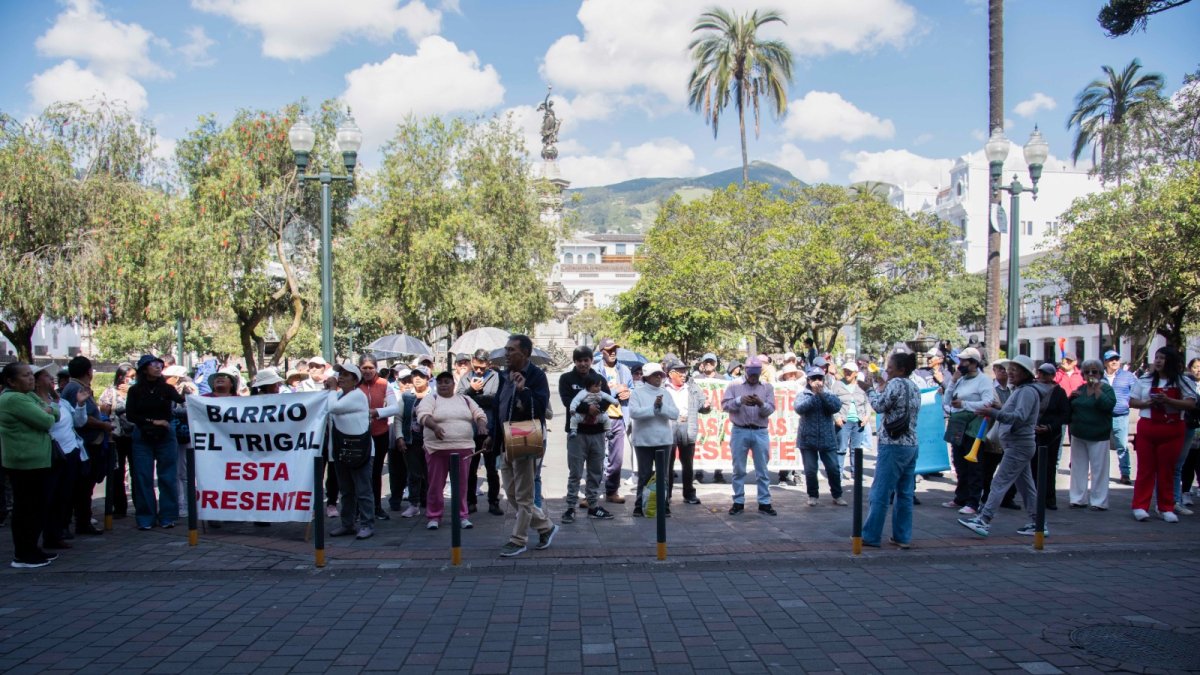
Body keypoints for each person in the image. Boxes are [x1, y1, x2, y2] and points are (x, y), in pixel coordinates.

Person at [958, 355, 1044, 538]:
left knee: (999, 482)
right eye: (1009, 369)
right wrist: (997, 410)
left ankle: (984, 520)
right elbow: (1016, 415)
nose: (1010, 373)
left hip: (1018, 445)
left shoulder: (1026, 392)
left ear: (1025, 373)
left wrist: (994, 412)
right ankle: (1038, 523)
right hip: (1018, 445)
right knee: (1026, 487)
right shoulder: (1022, 391)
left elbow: (1019, 417)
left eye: (1015, 369)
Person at [493, 335, 557, 557]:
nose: (507, 354)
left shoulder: (537, 376)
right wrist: (493, 435)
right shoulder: (504, 376)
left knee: (524, 496)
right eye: (506, 349)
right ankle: (545, 526)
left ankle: (518, 539)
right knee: (511, 492)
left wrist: (523, 390)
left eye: (511, 350)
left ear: (526, 354)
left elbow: (541, 409)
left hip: (525, 436)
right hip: (505, 438)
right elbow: (498, 407)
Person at [0, 363, 61, 568]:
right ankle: (23, 554)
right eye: (25, 375)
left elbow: (55, 411)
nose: (31, 378)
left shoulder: (27, 396)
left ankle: (32, 548)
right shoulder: (12, 399)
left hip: (38, 460)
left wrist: (48, 409)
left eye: (31, 375)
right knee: (27, 508)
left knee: (37, 507)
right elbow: (46, 420)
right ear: (11, 381)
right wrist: (47, 410)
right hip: (24, 461)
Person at [1128, 346, 1197, 522]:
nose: (1158, 361)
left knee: (1167, 469)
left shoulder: (1182, 381)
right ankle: (1140, 506)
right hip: (1148, 427)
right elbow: (1132, 401)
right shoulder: (1145, 379)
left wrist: (1168, 401)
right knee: (1145, 469)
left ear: (1171, 361)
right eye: (1156, 357)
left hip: (1173, 429)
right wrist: (1148, 403)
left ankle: (1166, 506)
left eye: (1162, 358)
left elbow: (1190, 403)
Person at [862, 352, 922, 549]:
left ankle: (871, 535)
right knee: (904, 493)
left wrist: (869, 390)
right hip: (911, 443)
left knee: (881, 491)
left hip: (893, 444)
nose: (887, 369)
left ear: (901, 369)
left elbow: (879, 406)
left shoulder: (896, 384)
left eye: (890, 366)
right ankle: (902, 536)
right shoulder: (914, 386)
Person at [416, 371, 488, 531]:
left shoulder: (465, 399)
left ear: (453, 385)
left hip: (463, 449)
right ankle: (434, 516)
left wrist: (481, 424)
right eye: (440, 382)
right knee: (435, 485)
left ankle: (462, 515)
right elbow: (422, 415)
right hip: (437, 449)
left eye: (447, 382)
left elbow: (480, 414)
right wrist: (434, 426)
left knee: (461, 485)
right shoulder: (431, 398)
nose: (443, 385)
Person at [125, 355, 186, 531]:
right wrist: (153, 421)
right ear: (144, 369)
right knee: (143, 477)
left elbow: (182, 401)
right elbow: (131, 415)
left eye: (160, 364)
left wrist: (190, 394)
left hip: (166, 436)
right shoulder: (135, 390)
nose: (158, 367)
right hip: (143, 436)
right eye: (153, 365)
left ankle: (167, 516)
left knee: (167, 476)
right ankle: (145, 517)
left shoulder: (167, 388)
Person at [35, 364, 89, 549]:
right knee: (50, 494)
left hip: (71, 451)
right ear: (36, 382)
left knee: (66, 494)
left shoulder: (61, 401)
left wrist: (80, 404)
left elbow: (78, 422)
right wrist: (52, 406)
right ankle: (49, 533)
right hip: (51, 454)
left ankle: (58, 531)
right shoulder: (34, 402)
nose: (51, 380)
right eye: (46, 377)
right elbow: (47, 422)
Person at [558, 348, 613, 522]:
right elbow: (567, 400)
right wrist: (585, 408)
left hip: (597, 433)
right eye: (579, 360)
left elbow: (607, 398)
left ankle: (593, 505)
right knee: (575, 472)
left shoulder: (599, 379)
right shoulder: (566, 379)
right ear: (574, 361)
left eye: (586, 360)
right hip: (577, 434)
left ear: (591, 361)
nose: (583, 364)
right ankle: (570, 508)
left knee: (596, 472)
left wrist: (596, 410)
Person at [940, 348, 995, 516]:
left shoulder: (983, 380)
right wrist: (952, 382)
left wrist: (965, 405)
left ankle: (973, 501)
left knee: (974, 466)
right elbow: (947, 401)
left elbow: (988, 402)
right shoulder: (961, 379)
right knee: (959, 462)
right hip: (957, 424)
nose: (960, 364)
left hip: (974, 427)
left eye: (964, 361)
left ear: (973, 363)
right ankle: (960, 497)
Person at [325, 361, 375, 539]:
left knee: (363, 490)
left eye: (346, 375)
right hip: (341, 450)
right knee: (346, 491)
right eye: (341, 374)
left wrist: (331, 390)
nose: (341, 377)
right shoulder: (338, 395)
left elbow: (333, 408)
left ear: (355, 380)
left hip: (359, 451)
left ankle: (367, 523)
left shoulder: (357, 395)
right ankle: (347, 524)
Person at [721, 357, 776, 515]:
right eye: (751, 375)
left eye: (756, 375)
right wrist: (739, 401)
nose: (753, 378)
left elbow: (770, 410)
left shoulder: (767, 387)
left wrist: (760, 403)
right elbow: (724, 405)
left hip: (760, 430)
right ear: (746, 371)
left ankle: (764, 502)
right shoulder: (734, 385)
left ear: (760, 373)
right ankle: (738, 501)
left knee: (762, 469)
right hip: (740, 429)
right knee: (738, 468)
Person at [628, 363, 679, 517]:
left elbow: (675, 414)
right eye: (655, 375)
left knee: (663, 475)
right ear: (646, 377)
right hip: (644, 440)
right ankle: (639, 505)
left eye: (660, 375)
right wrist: (653, 408)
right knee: (644, 474)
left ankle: (663, 505)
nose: (658, 377)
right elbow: (634, 413)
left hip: (663, 440)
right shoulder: (637, 393)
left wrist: (661, 407)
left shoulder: (666, 393)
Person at [457, 349, 502, 516]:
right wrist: (471, 389)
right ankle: (470, 501)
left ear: (488, 365)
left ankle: (493, 502)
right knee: (470, 468)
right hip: (471, 430)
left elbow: (495, 399)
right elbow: (459, 398)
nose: (478, 371)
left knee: (492, 469)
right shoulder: (466, 378)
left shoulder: (496, 377)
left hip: (490, 429)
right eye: (476, 367)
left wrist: (474, 397)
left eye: (482, 368)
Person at [793, 366, 846, 508]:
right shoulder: (803, 394)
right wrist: (815, 397)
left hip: (827, 438)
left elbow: (835, 407)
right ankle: (813, 495)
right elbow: (799, 408)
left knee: (833, 468)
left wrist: (822, 395)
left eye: (820, 378)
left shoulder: (829, 393)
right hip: (807, 438)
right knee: (810, 470)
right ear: (808, 380)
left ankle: (837, 495)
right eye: (814, 379)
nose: (817, 381)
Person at [1068, 359, 1116, 510]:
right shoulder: (1080, 390)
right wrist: (1070, 398)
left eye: (1094, 372)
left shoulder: (1106, 389)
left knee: (1099, 469)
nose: (1090, 374)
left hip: (1098, 435)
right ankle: (1077, 498)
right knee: (1078, 468)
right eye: (1087, 371)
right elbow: (1070, 408)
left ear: (1101, 374)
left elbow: (1108, 405)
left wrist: (1096, 390)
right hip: (1078, 434)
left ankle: (1099, 501)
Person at [357, 355, 398, 522]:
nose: (367, 371)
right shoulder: (355, 385)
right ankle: (359, 508)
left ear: (375, 368)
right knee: (359, 473)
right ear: (359, 368)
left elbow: (395, 407)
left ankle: (376, 507)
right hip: (359, 435)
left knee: (376, 472)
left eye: (370, 368)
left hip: (379, 434)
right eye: (364, 368)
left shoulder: (384, 383)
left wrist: (377, 412)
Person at [664, 357, 709, 506]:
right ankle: (666, 494)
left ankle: (689, 494)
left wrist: (707, 405)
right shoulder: (663, 387)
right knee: (667, 463)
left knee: (688, 463)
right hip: (669, 425)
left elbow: (703, 403)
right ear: (671, 374)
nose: (684, 374)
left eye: (685, 371)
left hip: (687, 425)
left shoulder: (692, 385)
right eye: (681, 372)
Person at [593, 338, 632, 504]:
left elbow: (633, 389)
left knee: (616, 459)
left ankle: (612, 491)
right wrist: (615, 391)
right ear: (602, 352)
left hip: (618, 418)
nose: (613, 352)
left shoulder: (624, 370)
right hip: (599, 419)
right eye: (609, 350)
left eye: (615, 349)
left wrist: (629, 393)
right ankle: (592, 492)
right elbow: (593, 395)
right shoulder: (595, 370)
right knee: (596, 456)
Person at [980, 363, 1020, 510]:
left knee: (1009, 468)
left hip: (1010, 434)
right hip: (993, 433)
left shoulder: (1014, 389)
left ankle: (1008, 498)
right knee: (989, 467)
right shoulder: (990, 389)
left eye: (1006, 369)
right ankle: (986, 496)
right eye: (1000, 369)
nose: (1004, 372)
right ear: (995, 371)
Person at [98, 363, 135, 518]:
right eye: (130, 377)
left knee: (137, 472)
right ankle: (119, 507)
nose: (133, 380)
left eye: (135, 377)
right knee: (117, 472)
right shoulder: (110, 392)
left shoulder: (137, 391)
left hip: (134, 436)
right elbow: (104, 412)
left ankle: (141, 506)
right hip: (116, 437)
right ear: (121, 377)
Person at [1032, 363, 1070, 510]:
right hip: (1033, 432)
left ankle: (1049, 498)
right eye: (1040, 373)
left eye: (1045, 374)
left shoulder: (1059, 392)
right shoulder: (1032, 389)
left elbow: (1064, 414)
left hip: (1051, 434)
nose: (1041, 376)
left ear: (1052, 376)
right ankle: (1034, 496)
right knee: (1033, 466)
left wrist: (1049, 427)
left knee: (1049, 467)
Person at [397, 367, 432, 519]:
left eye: (421, 376)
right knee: (413, 473)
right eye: (415, 376)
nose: (417, 378)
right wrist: (399, 437)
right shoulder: (406, 396)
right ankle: (413, 504)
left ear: (428, 378)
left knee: (430, 474)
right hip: (410, 440)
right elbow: (399, 418)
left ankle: (431, 503)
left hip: (430, 441)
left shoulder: (434, 396)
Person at [831, 361, 871, 480]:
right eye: (845, 371)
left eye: (849, 371)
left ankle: (856, 473)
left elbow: (867, 402)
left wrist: (867, 416)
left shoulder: (862, 385)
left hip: (858, 421)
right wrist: (836, 416)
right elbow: (832, 402)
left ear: (855, 373)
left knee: (856, 449)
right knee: (841, 448)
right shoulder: (837, 385)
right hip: (843, 420)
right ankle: (838, 474)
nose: (847, 373)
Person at [1104, 350, 1138, 485]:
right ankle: (1099, 472)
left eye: (1117, 359)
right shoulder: (1100, 376)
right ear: (1105, 362)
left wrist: (1127, 402)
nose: (1114, 362)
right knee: (1101, 446)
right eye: (1111, 359)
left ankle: (1125, 473)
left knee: (1122, 446)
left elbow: (1137, 391)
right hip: (1103, 416)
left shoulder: (1128, 376)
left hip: (1121, 416)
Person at [1178, 358, 1200, 512]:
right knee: (1188, 461)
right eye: (1195, 367)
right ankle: (1185, 491)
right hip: (1190, 425)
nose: (1198, 370)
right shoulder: (1185, 382)